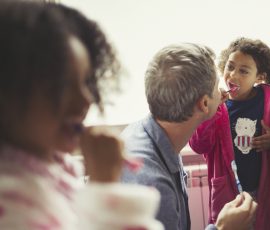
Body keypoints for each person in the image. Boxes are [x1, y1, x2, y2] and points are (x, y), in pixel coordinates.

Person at [0, 1, 162, 229]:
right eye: (63, 86)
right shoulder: (12, 210)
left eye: (86, 82)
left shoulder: (53, 170)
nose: (85, 100)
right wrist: (105, 186)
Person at [121, 43, 258, 230]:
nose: (222, 91)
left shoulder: (147, 134)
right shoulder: (154, 188)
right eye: (216, 86)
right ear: (203, 103)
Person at [189, 37, 270, 230]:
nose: (233, 76)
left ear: (259, 77)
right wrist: (211, 111)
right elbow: (198, 145)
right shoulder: (217, 106)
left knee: (263, 224)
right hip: (228, 189)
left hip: (260, 185)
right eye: (230, 67)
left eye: (243, 71)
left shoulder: (267, 101)